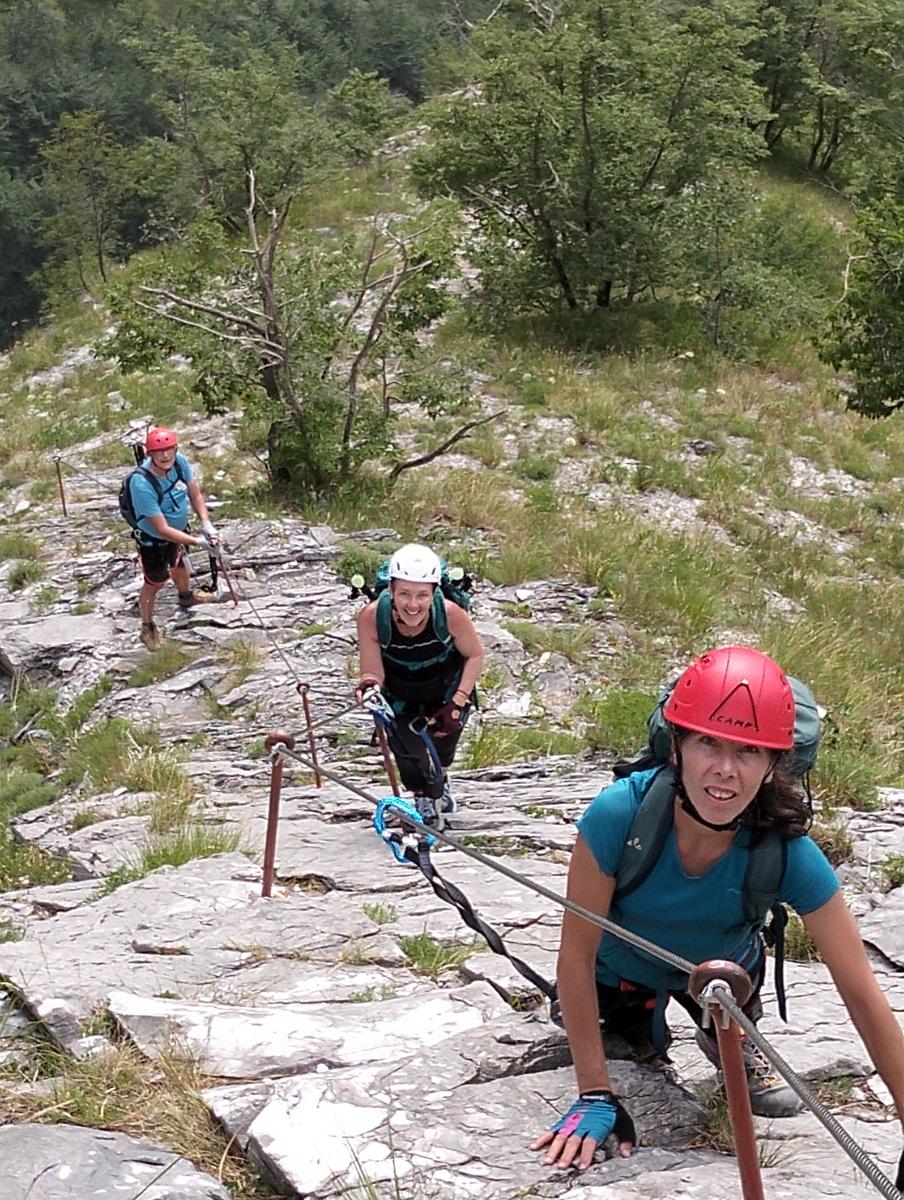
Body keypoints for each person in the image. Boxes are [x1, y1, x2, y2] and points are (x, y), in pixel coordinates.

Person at [533, 646, 904, 1175]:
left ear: (775, 763)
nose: (726, 771)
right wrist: (596, 1091)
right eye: (709, 741)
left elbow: (862, 994)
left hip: (724, 981)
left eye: (750, 751)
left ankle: (724, 1031)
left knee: (723, 1006)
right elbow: (574, 955)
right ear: (678, 745)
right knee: (621, 1042)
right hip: (617, 971)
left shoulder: (788, 852)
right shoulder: (621, 814)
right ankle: (639, 1019)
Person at [354, 543, 484, 827]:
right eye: (404, 594)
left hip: (447, 690)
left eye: (422, 595)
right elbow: (372, 669)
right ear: (391, 590)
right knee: (405, 750)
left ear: (434, 592)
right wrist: (369, 685)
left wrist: (458, 700)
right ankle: (423, 797)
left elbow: (475, 654)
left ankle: (440, 783)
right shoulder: (372, 618)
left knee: (443, 747)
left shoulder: (451, 616)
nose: (413, 604)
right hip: (400, 692)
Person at [129, 426, 220, 651]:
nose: (166, 455)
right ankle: (147, 626)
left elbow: (194, 493)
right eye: (159, 451)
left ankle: (186, 596)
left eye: (169, 449)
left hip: (178, 528)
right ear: (150, 454)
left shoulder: (179, 463)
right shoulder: (141, 483)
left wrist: (205, 523)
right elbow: (160, 528)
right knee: (156, 582)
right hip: (153, 539)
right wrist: (198, 541)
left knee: (180, 564)